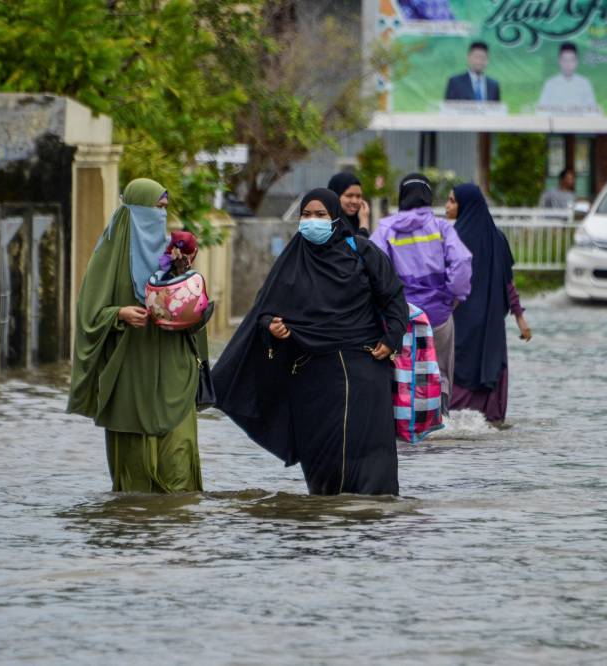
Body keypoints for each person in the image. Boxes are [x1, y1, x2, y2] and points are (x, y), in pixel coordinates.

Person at [213, 188, 408, 496]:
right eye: (306, 215)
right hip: (313, 374)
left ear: (335, 218)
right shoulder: (290, 262)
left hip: (365, 367)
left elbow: (393, 296)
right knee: (323, 457)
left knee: (371, 453)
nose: (312, 221)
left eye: (320, 215)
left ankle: (370, 523)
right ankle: (324, 519)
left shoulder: (361, 250)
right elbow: (264, 313)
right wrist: (272, 328)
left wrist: (392, 337)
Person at [67, 178, 208, 494]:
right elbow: (88, 316)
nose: (161, 216)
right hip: (130, 376)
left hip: (175, 372)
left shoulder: (172, 258)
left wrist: (186, 281)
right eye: (154, 208)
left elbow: (194, 315)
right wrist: (119, 314)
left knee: (179, 476)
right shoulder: (108, 257)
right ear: (134, 211)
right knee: (136, 482)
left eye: (164, 209)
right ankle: (135, 532)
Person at [370, 174, 472, 412]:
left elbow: (373, 269)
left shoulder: (386, 229)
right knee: (440, 372)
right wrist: (453, 298)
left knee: (402, 370)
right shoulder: (441, 227)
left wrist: (384, 305)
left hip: (400, 316)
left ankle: (404, 423)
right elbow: (462, 263)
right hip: (439, 315)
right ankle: (439, 417)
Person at [446, 184, 531, 426]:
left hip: (459, 321)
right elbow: (509, 284)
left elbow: (505, 281)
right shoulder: (497, 238)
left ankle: (452, 420)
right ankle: (490, 421)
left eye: (452, 201)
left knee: (458, 369)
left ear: (465, 205)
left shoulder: (452, 239)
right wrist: (519, 318)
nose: (447, 206)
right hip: (491, 322)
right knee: (490, 365)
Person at [537, 42, 597, 112]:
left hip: (579, 122)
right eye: (565, 60)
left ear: (577, 62)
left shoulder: (584, 83)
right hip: (557, 122)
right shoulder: (550, 84)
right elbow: (541, 110)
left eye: (571, 60)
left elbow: (593, 110)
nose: (568, 64)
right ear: (559, 61)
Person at [327, 172, 371, 237]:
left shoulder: (357, 220)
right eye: (349, 195)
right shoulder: (328, 225)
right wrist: (364, 224)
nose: (354, 201)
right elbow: (359, 246)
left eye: (358, 196)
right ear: (335, 196)